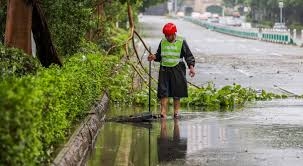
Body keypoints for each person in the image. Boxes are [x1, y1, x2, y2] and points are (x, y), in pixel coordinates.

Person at [148, 22, 195, 119]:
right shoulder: (163, 41)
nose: (167, 37)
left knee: (176, 92)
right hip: (164, 68)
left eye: (169, 35)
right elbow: (159, 55)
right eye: (165, 35)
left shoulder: (181, 41)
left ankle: (176, 112)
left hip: (177, 68)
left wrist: (191, 67)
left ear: (174, 34)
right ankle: (163, 113)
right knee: (163, 91)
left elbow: (188, 56)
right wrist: (154, 57)